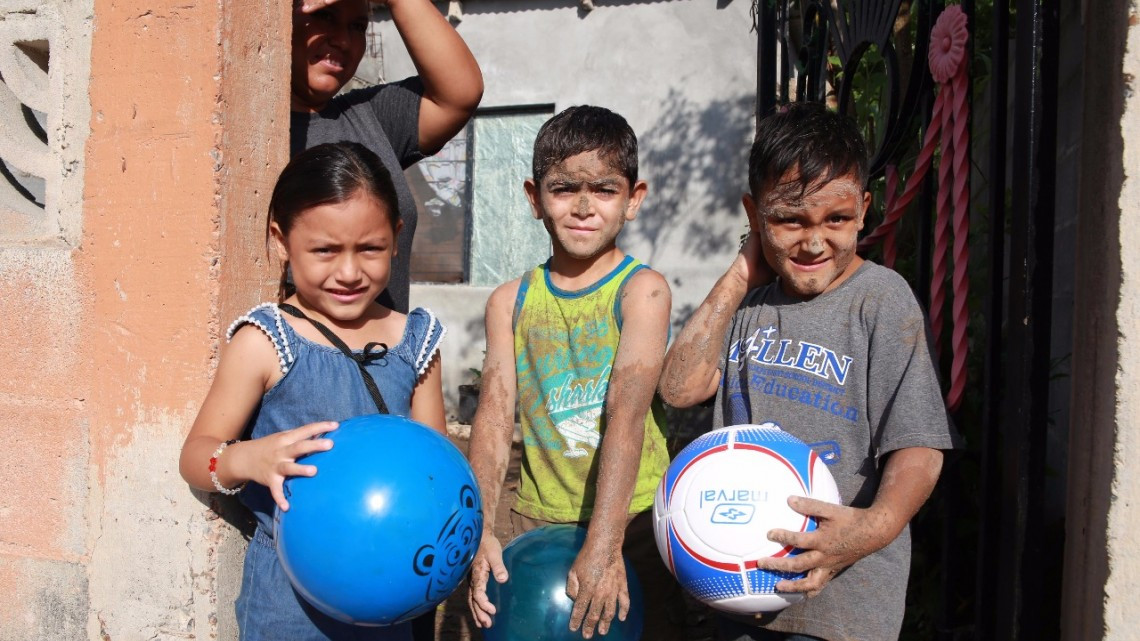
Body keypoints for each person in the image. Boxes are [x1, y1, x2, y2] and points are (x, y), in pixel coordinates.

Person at [657, 103, 961, 641]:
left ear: (864, 210)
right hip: (738, 594)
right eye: (789, 220)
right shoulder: (748, 307)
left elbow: (919, 445)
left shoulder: (881, 300)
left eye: (836, 220)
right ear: (755, 216)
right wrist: (740, 272)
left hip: (843, 606)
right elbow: (679, 387)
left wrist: (874, 526)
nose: (815, 242)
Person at [178, 142, 446, 641]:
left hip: (394, 595)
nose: (348, 272)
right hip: (289, 604)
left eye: (370, 248)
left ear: (397, 238)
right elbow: (195, 456)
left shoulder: (417, 341)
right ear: (282, 240)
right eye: (324, 250)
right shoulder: (266, 341)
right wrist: (248, 459)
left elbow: (437, 464)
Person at [465, 106, 686, 641]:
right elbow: (494, 419)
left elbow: (627, 416)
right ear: (534, 197)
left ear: (633, 199)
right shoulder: (509, 302)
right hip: (535, 522)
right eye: (563, 189)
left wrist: (606, 545)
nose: (584, 207)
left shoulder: (642, 291)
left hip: (634, 525)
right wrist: (481, 531)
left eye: (605, 190)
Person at [291, 0, 482, 313]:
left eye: (358, 26)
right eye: (325, 16)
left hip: (384, 359)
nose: (343, 40)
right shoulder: (239, 133)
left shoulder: (371, 118)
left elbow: (460, 92)